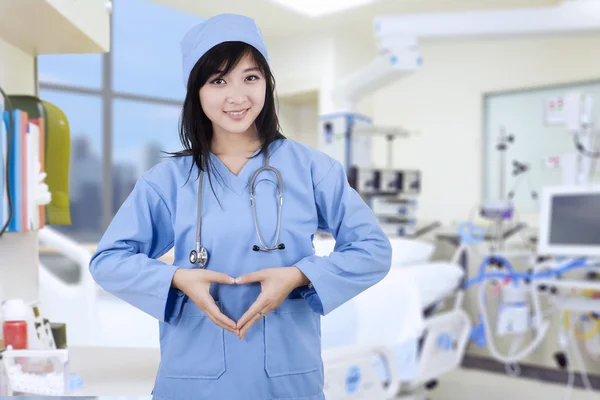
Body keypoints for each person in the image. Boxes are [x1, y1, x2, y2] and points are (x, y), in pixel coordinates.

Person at [89, 13, 392, 400]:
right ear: (196, 91)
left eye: (251, 77)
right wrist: (178, 279)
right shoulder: (166, 181)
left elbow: (373, 250)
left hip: (286, 381)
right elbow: (108, 260)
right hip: (193, 382)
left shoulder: (313, 170)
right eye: (219, 81)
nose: (237, 96)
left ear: (267, 83)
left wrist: (299, 275)